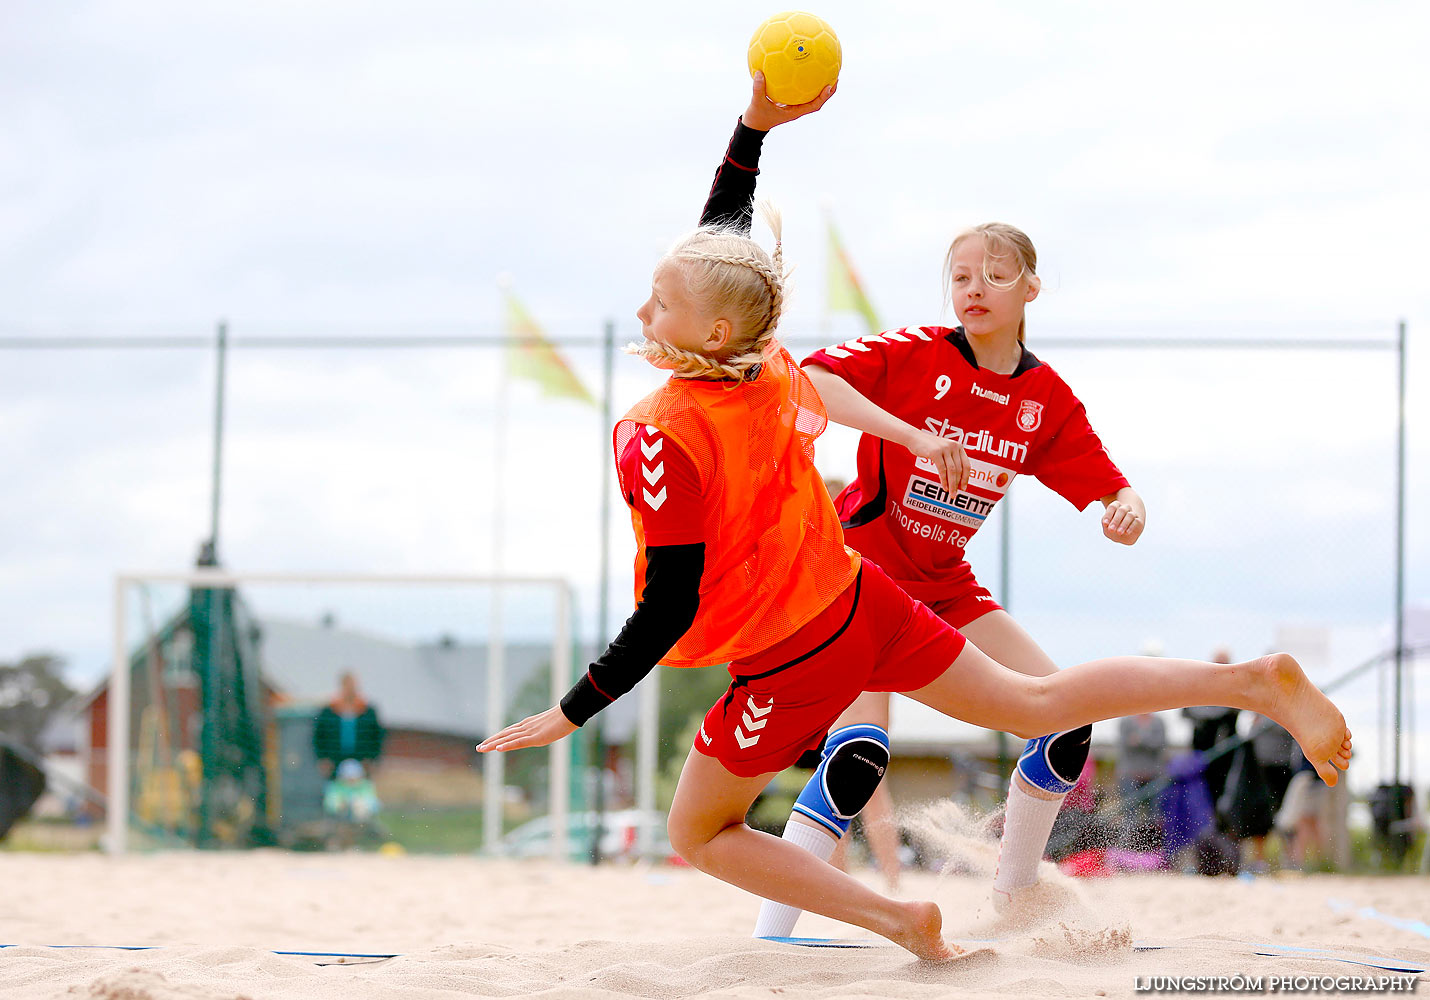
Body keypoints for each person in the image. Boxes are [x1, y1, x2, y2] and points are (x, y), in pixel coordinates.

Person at [477, 78, 1353, 960]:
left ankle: (895, 919)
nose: (642, 311)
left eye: (656, 303)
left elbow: (669, 604)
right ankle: (1250, 683)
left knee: (701, 829)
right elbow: (725, 269)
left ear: (707, 334)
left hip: (799, 645)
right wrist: (750, 132)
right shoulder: (772, 370)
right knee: (1035, 704)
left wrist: (575, 707)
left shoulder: (664, 434)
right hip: (868, 593)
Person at [722, 83, 1144, 937]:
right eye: (959, 276)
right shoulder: (916, 356)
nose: (973, 288)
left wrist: (1121, 501)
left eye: (993, 274)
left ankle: (1014, 896)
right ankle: (771, 942)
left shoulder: (1044, 398)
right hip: (852, 577)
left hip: (944, 587)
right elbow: (812, 382)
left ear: (1031, 286)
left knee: (1067, 722)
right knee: (858, 755)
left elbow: (1101, 478)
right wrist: (908, 434)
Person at [312, 671, 385, 780]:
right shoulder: (329, 711)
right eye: (347, 685)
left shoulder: (368, 711)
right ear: (342, 686)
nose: (350, 689)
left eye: (353, 685)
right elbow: (319, 735)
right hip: (335, 760)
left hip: (362, 760)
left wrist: (372, 758)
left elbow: (377, 736)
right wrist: (322, 758)